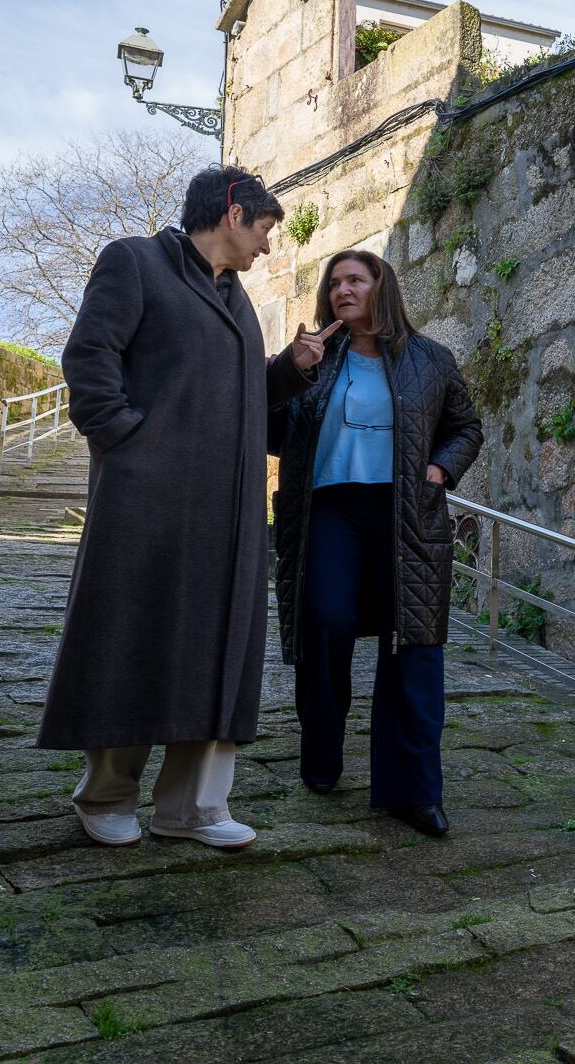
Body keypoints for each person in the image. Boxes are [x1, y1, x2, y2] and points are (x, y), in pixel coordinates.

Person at [38, 165, 329, 850]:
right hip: (148, 499)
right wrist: (126, 443)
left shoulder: (238, 299)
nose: (267, 247)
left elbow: (238, 392)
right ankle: (107, 793)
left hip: (227, 512)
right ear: (233, 211)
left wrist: (290, 367)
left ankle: (193, 807)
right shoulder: (134, 261)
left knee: (218, 649)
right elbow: (90, 356)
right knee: (132, 636)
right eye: (263, 229)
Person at [269, 249, 481, 836]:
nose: (342, 290)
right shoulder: (312, 359)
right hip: (328, 510)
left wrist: (440, 470)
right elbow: (265, 429)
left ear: (381, 288)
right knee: (325, 620)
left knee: (411, 643)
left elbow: (466, 426)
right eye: (334, 282)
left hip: (407, 512)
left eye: (355, 280)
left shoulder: (430, 360)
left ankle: (413, 791)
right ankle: (322, 755)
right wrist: (290, 371)